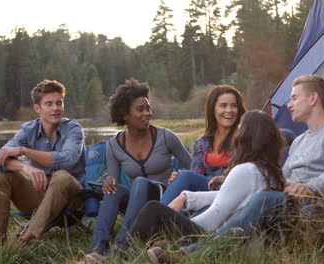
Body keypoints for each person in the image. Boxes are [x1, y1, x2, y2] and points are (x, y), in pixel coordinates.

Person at [147, 74, 324, 262]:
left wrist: (310, 187)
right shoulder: (301, 140)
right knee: (238, 196)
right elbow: (282, 180)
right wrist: (230, 182)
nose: (289, 103)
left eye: (294, 97)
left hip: (315, 207)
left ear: (313, 99)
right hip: (288, 201)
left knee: (264, 199)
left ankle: (187, 254)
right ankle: (178, 236)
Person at [118, 110, 286, 259]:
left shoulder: (244, 171)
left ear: (246, 136)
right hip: (245, 240)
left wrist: (174, 231)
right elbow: (228, 197)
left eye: (240, 128)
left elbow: (214, 216)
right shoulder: (269, 171)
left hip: (218, 238)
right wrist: (187, 197)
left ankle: (119, 254)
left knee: (154, 210)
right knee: (167, 212)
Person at [85, 79, 191, 262]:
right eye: (140, 109)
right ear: (125, 114)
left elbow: (193, 168)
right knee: (112, 189)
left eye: (148, 108)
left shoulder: (166, 137)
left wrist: (181, 177)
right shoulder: (114, 145)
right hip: (135, 203)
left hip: (163, 200)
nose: (147, 113)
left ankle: (121, 247)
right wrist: (109, 181)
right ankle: (98, 249)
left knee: (140, 182)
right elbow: (114, 178)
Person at [0, 80, 86, 245]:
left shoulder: (73, 129)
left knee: (61, 176)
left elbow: (67, 160)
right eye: (49, 104)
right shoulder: (29, 130)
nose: (56, 108)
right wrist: (25, 167)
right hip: (39, 198)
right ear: (37, 108)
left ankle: (24, 241)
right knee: (1, 174)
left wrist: (24, 151)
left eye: (59, 103)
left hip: (72, 202)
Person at [160, 85, 247, 206]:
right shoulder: (201, 143)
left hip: (231, 189)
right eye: (223, 105)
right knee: (183, 176)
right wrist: (179, 178)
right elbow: (196, 175)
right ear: (213, 109)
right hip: (207, 189)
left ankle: (157, 215)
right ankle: (160, 216)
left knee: (185, 176)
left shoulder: (244, 139)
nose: (229, 110)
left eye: (234, 105)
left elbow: (246, 173)